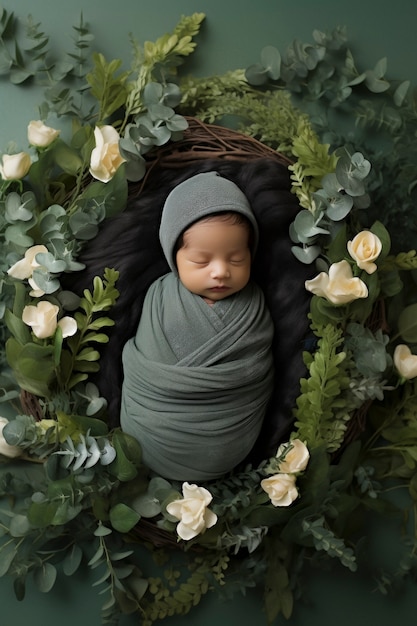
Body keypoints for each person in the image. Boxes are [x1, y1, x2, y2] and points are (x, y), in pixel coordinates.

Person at [120, 171, 275, 481]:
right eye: (202, 261)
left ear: (251, 254)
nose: (220, 272)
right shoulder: (160, 297)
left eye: (236, 259)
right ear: (173, 257)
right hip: (153, 426)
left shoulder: (254, 306)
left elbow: (255, 369)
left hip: (228, 433)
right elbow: (147, 373)